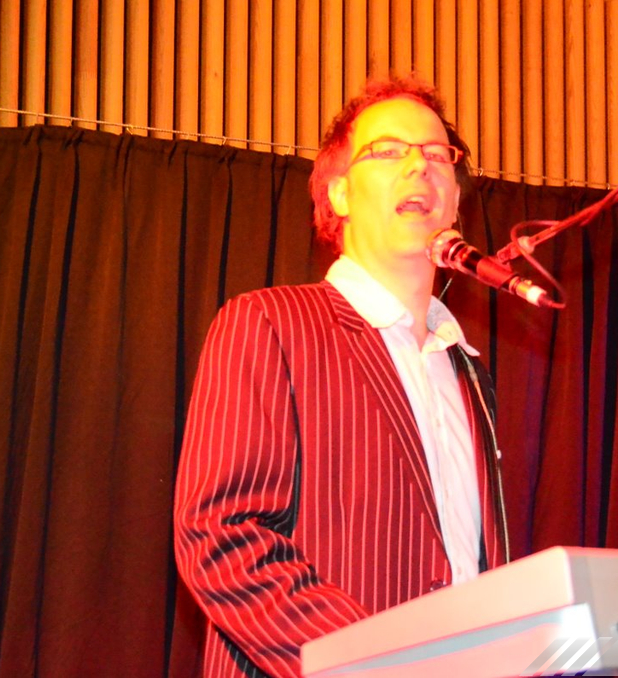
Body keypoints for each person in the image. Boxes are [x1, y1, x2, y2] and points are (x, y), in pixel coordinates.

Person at [173, 76, 509, 678]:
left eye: (438, 155)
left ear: (456, 200)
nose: (420, 166)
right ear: (340, 193)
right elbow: (224, 535)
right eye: (389, 151)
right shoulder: (269, 323)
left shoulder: (468, 371)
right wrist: (381, 664)